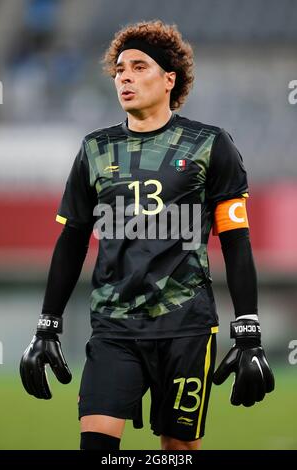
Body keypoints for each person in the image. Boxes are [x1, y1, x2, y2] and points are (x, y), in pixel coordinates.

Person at [20, 20, 275, 451]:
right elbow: (72, 241)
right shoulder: (94, 150)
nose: (125, 76)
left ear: (169, 79)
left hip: (187, 328)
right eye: (120, 69)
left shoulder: (209, 144)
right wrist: (48, 325)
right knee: (96, 448)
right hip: (114, 328)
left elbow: (236, 240)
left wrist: (247, 327)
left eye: (139, 67)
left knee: (177, 452)